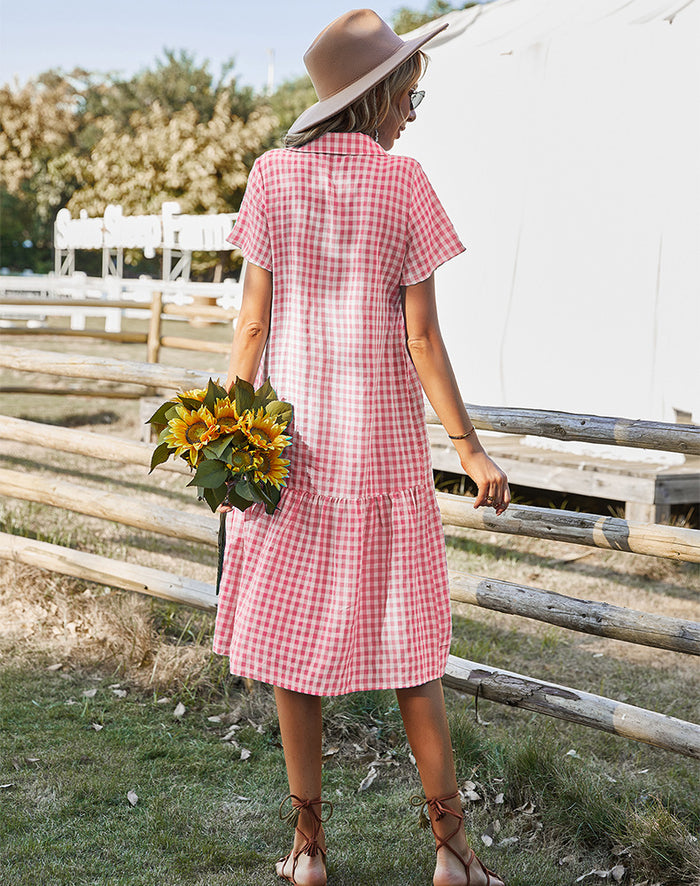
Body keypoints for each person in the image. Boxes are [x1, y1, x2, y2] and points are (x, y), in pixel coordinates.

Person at [213, 9, 510, 886]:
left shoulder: (271, 176)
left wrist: (226, 442)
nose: (413, 112)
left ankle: (307, 853)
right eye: (409, 95)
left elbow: (252, 327)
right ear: (375, 98)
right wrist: (469, 448)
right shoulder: (404, 182)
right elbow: (423, 336)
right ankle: (452, 855)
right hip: (384, 461)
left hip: (292, 459)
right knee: (413, 657)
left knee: (291, 657)